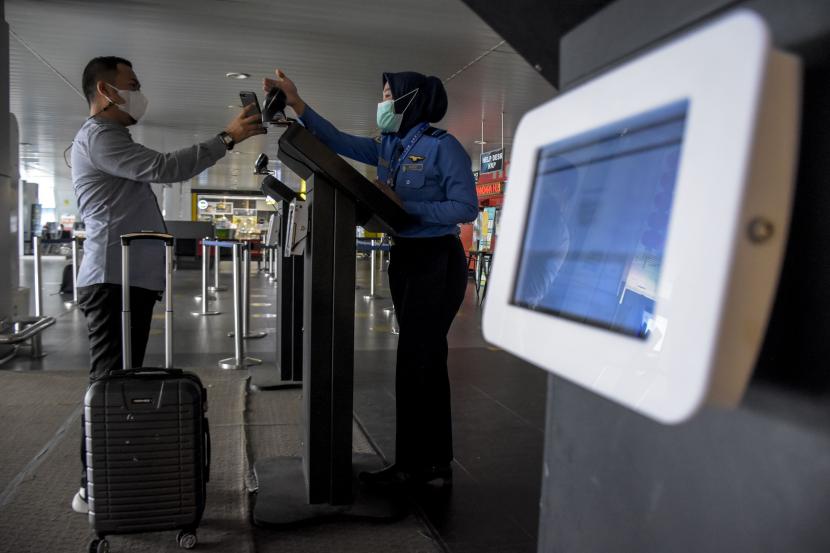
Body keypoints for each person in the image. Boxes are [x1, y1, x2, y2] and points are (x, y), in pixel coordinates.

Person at [264, 68, 478, 486]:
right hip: (408, 256)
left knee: (421, 360)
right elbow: (336, 141)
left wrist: (407, 207)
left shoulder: (442, 147)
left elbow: (465, 207)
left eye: (386, 96)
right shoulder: (389, 146)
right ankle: (429, 462)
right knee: (420, 360)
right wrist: (297, 102)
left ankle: (418, 464)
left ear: (408, 101)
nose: (381, 104)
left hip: (437, 258)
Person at [70, 56, 264, 513]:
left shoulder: (109, 138)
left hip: (125, 279)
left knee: (118, 379)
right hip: (112, 279)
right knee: (109, 384)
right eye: (131, 84)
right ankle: (93, 485)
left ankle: (113, 472)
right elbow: (168, 168)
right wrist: (227, 138)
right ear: (106, 90)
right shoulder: (100, 137)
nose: (139, 91)